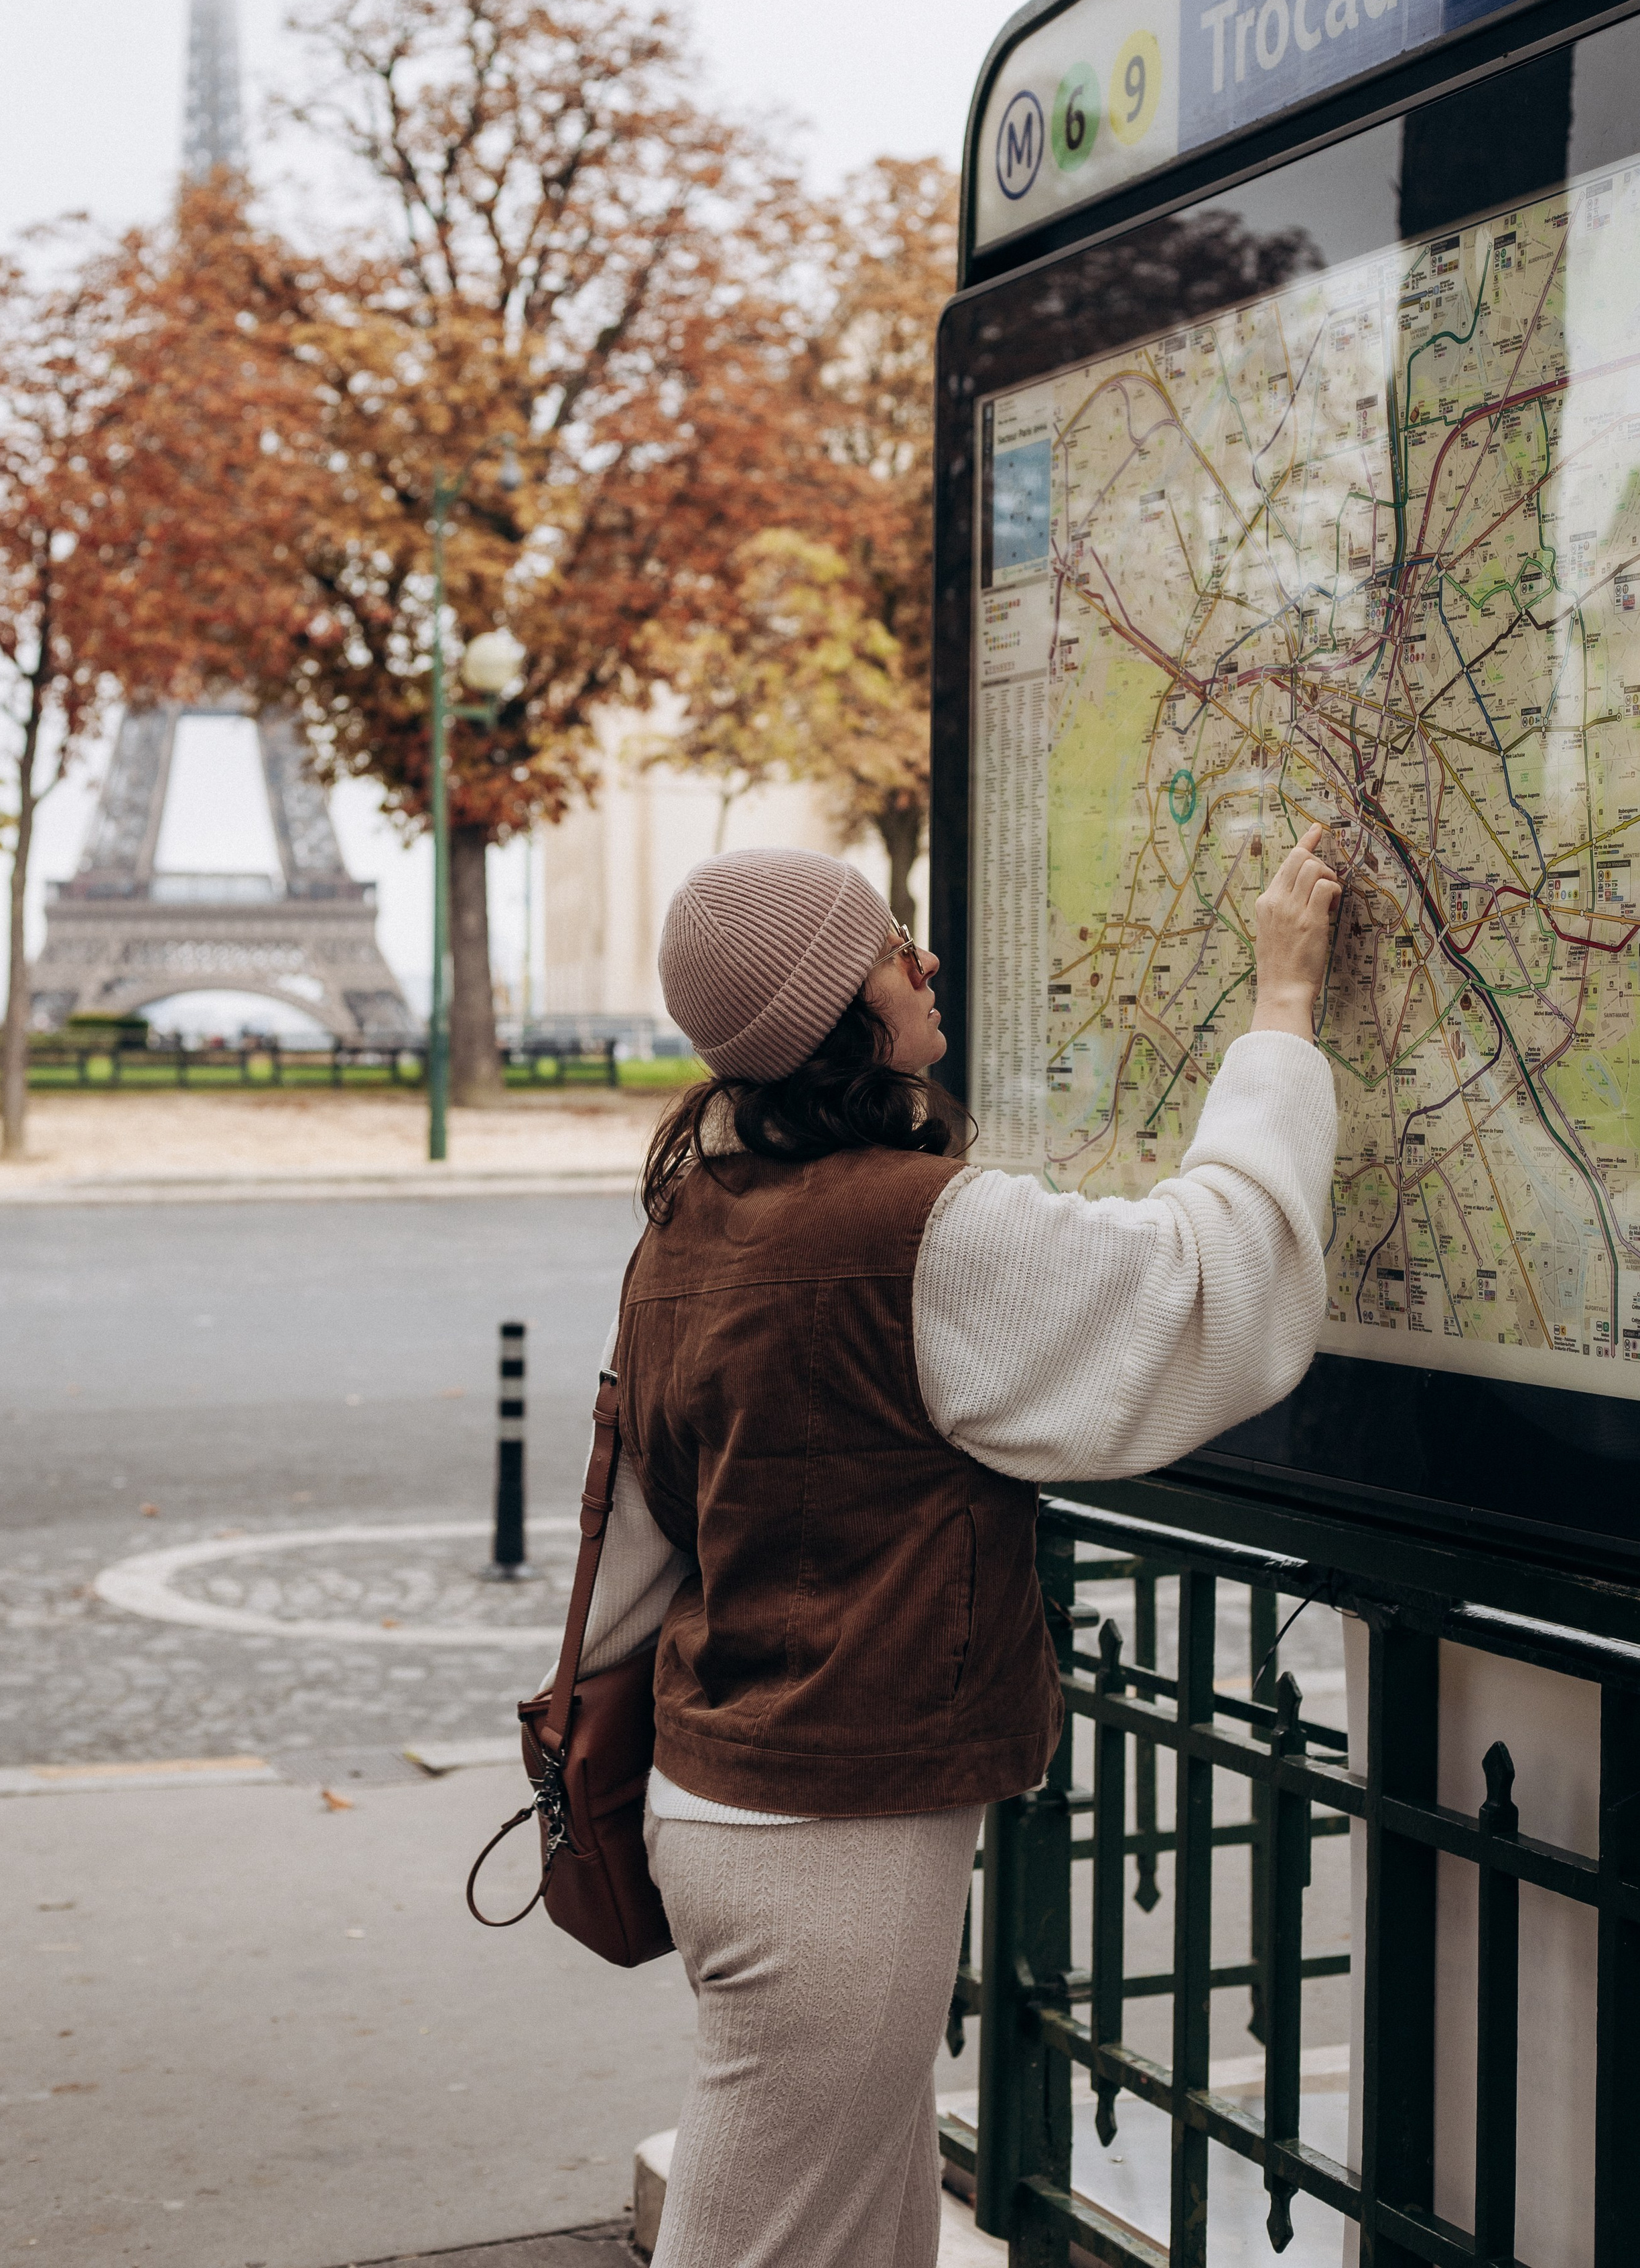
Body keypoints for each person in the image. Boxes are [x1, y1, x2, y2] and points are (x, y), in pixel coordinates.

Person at [564, 832, 1341, 2268]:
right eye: (887, 947)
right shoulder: (922, 1232)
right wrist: (1279, 1014)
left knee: (861, 2222)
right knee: (779, 2239)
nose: (921, 959)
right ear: (836, 1014)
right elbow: (1204, 1281)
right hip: (826, 1840)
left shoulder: (690, 1221)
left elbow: (639, 1534)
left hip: (727, 1793)